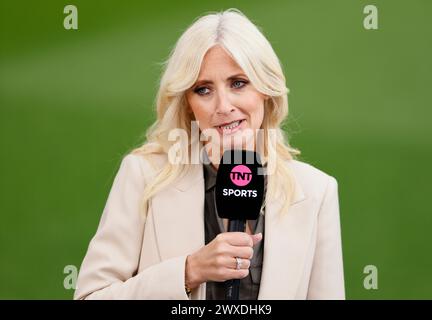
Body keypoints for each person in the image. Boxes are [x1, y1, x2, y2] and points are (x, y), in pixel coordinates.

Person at [74, 8, 345, 300]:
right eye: (203, 89)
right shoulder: (143, 174)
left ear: (265, 90)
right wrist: (189, 272)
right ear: (188, 103)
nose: (223, 106)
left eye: (238, 83)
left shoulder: (317, 192)